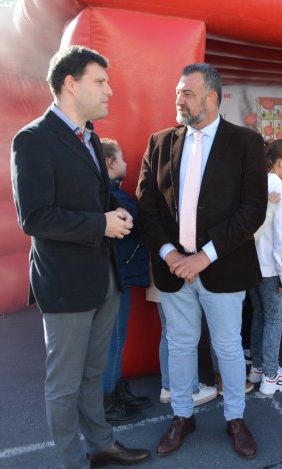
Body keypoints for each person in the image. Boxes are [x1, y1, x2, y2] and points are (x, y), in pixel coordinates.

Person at [10, 45, 150, 468]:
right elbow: (34, 217)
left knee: (94, 374)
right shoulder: (32, 139)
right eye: (100, 81)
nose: (109, 90)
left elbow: (96, 196)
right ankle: (74, 461)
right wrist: (100, 224)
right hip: (66, 283)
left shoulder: (89, 136)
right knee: (65, 382)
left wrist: (116, 209)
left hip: (104, 276)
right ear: (71, 84)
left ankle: (102, 443)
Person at [135, 63, 265, 459]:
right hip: (172, 269)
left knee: (227, 347)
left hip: (221, 268)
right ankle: (182, 415)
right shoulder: (159, 142)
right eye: (178, 92)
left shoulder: (245, 142)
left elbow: (252, 210)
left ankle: (235, 418)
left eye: (186, 93)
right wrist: (170, 253)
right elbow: (147, 206)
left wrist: (204, 258)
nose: (178, 99)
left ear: (211, 98)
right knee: (179, 344)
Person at [100, 138, 151, 425]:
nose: (126, 162)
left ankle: (115, 390)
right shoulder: (114, 197)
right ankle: (107, 401)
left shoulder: (112, 193)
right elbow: (137, 224)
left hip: (119, 275)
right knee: (114, 341)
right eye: (121, 158)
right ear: (110, 163)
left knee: (116, 340)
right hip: (116, 277)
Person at [247, 139, 282, 394]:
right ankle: (270, 375)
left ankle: (258, 368)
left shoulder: (250, 182)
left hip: (250, 265)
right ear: (281, 162)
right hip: (270, 266)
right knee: (275, 320)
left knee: (259, 316)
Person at [145, 275, 219, 406]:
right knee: (186, 336)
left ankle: (167, 388)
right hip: (180, 281)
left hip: (160, 278)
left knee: (168, 333)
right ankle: (192, 390)